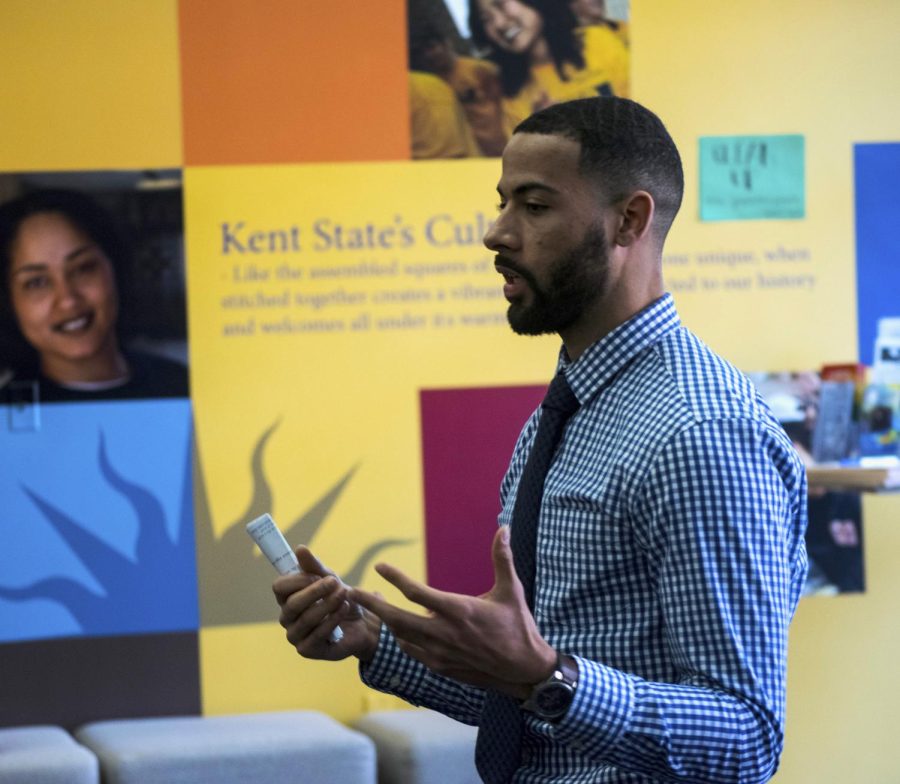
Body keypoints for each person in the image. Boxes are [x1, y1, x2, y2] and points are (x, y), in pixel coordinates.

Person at [273, 97, 809, 783]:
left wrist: (550, 675)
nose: (497, 233)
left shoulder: (700, 435)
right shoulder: (570, 410)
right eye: (502, 202)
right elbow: (530, 706)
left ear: (629, 220)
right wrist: (374, 642)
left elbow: (745, 738)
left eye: (534, 206)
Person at [0, 188, 188, 402]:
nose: (68, 300)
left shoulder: (178, 384)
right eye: (37, 282)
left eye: (83, 268)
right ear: (8, 301)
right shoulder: (6, 414)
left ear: (115, 268)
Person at [468, 0, 630, 135]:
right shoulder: (513, 97)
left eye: (500, 4)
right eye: (485, 19)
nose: (498, 23)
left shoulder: (596, 41)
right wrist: (540, 132)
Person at [409, 23, 508, 156]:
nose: (428, 55)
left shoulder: (480, 70)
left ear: (446, 44)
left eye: (431, 47)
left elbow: (506, 107)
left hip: (500, 145)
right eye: (420, 52)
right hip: (470, 152)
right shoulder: (430, 86)